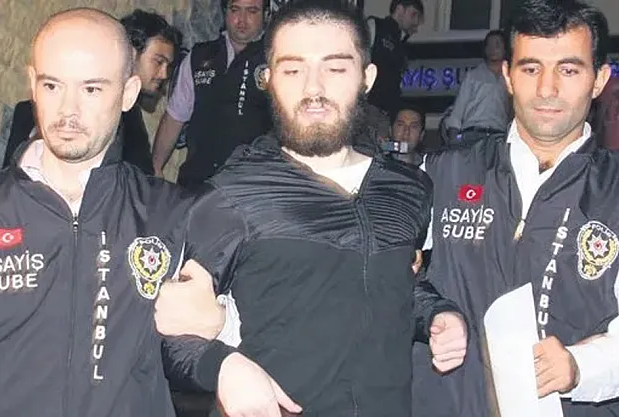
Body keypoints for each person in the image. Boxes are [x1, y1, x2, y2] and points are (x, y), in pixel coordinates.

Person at [0, 8, 290, 417]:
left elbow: (250, 336)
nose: (68, 110)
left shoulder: (173, 217)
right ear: (33, 84)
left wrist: (221, 331)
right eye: (52, 85)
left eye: (91, 89)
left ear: (128, 93)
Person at [155, 1, 468, 415]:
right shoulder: (231, 195)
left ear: (367, 77)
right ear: (267, 80)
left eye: (335, 68)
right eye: (292, 70)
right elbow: (172, 332)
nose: (313, 89)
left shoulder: (409, 190)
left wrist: (438, 315)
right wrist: (223, 367)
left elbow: (399, 285)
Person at [412, 1, 619, 416]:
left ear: (599, 80)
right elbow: (384, 276)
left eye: (568, 70)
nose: (547, 89)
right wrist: (430, 313)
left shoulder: (612, 191)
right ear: (507, 76)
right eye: (530, 68)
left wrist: (581, 366)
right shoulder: (442, 172)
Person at [1, 9, 183, 174]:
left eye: (169, 66)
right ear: (131, 52)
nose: (164, 74)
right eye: (158, 61)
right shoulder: (119, 117)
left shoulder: (129, 116)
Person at [151, 0, 272, 187]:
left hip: (251, 187)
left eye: (252, 11)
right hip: (197, 182)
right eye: (235, 10)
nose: (242, 19)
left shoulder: (277, 60)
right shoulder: (199, 56)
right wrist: (155, 168)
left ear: (266, 15)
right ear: (225, 12)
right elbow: (174, 117)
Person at [364, 0, 423, 141]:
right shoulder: (375, 26)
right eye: (413, 14)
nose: (415, 22)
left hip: (387, 111)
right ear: (400, 9)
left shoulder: (401, 43)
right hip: (368, 105)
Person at [443, 30, 511, 145]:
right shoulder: (473, 76)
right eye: (489, 45)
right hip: (472, 134)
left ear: (505, 49)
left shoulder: (511, 78)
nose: (493, 49)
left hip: (498, 137)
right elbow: (458, 110)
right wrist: (453, 140)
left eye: (497, 44)